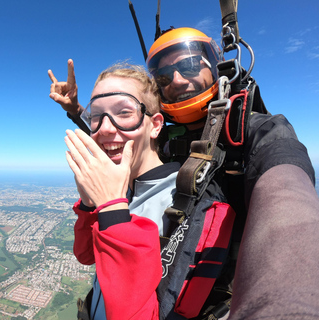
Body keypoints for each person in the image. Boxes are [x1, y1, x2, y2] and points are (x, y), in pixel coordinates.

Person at [51, 27, 319, 319]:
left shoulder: (258, 131)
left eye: (189, 65)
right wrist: (78, 111)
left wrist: (288, 306)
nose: (177, 80)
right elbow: (118, 134)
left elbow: (287, 200)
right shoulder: (133, 168)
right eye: (164, 77)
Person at [65, 62, 182, 319]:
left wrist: (113, 209)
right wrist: (88, 205)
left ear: (155, 125)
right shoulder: (119, 187)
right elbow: (86, 256)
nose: (105, 128)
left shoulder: (183, 201)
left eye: (124, 112)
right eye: (96, 116)